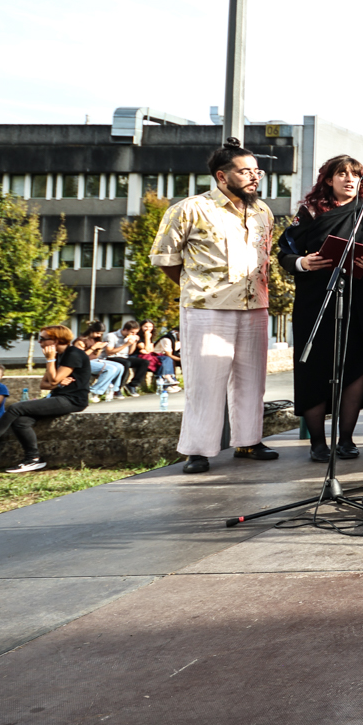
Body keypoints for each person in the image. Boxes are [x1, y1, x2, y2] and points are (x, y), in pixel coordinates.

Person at [148, 138, 280, 473]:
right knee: (205, 380)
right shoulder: (188, 209)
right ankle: (198, 450)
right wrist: (197, 288)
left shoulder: (263, 211)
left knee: (252, 379)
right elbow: (165, 258)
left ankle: (248, 441)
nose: (254, 177)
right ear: (222, 177)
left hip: (255, 304)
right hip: (208, 307)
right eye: (245, 171)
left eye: (257, 171)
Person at [279, 154, 363, 462]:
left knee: (355, 366)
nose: (349, 179)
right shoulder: (310, 212)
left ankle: (345, 439)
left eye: (354, 175)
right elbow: (284, 251)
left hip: (358, 301)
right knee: (312, 368)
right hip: (316, 300)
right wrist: (302, 263)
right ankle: (318, 442)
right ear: (329, 180)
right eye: (341, 174)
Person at [0, 325, 91, 472]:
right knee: (21, 421)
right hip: (59, 396)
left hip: (73, 400)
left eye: (43, 339)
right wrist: (56, 379)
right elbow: (44, 384)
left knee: (16, 407)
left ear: (55, 340)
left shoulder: (73, 354)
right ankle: (33, 459)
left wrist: (51, 364)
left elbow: (52, 380)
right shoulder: (58, 356)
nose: (40, 342)